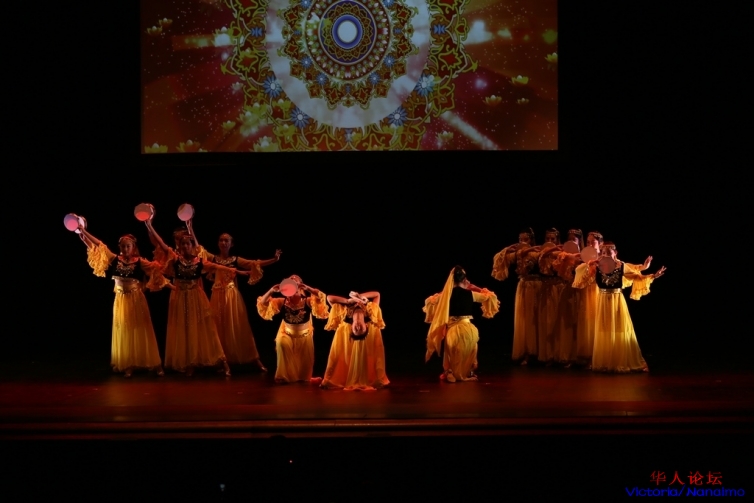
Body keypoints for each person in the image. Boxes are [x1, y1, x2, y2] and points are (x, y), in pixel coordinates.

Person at [147, 222, 247, 377]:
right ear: (180, 246)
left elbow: (217, 267)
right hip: (181, 298)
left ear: (192, 246)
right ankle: (190, 362)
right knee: (185, 330)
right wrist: (149, 225)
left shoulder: (199, 261)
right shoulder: (176, 259)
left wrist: (236, 271)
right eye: (183, 244)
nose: (185, 246)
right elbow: (162, 244)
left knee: (206, 329)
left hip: (196, 297)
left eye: (188, 243)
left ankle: (223, 362)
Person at [76, 226, 166, 378]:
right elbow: (99, 246)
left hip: (136, 299)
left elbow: (157, 268)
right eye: (123, 246)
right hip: (121, 300)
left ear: (133, 247)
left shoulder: (140, 261)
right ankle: (128, 364)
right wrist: (83, 232)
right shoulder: (115, 259)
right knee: (125, 330)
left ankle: (155, 363)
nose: (125, 249)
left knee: (141, 329)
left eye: (128, 246)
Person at [576, 242, 666, 373]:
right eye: (604, 253)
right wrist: (589, 266)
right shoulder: (596, 266)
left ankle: (619, 360)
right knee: (604, 330)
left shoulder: (621, 266)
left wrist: (653, 275)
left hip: (617, 300)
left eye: (609, 252)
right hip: (603, 301)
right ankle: (606, 361)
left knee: (619, 329)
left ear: (615, 253)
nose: (606, 255)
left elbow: (636, 277)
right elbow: (583, 280)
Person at [203, 233, 281, 371]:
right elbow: (198, 249)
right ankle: (222, 359)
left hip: (231, 296)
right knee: (218, 327)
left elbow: (254, 263)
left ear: (231, 244)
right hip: (217, 296)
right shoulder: (213, 258)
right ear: (218, 243)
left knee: (237, 326)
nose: (223, 242)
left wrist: (274, 259)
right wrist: (190, 228)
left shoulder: (235, 259)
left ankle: (253, 358)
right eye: (221, 240)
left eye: (226, 240)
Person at [425, 266, 499, 382]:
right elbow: (491, 297)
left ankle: (450, 371)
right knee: (471, 350)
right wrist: (476, 288)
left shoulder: (445, 296)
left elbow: (429, 301)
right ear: (464, 280)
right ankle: (468, 371)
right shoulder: (471, 294)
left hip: (453, 330)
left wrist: (444, 292)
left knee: (450, 351)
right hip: (468, 329)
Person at [257, 276, 329, 384]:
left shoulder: (307, 301)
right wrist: (271, 291)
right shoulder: (282, 301)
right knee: (282, 343)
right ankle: (283, 376)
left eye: (296, 281)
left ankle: (303, 377)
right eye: (291, 280)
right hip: (286, 333)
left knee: (304, 367)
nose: (293, 281)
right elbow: (263, 303)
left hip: (304, 336)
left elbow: (321, 297)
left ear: (300, 286)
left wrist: (308, 288)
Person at [321, 291, 388, 390]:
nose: (358, 328)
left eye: (356, 330)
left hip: (349, 301)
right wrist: (360, 297)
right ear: (366, 326)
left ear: (351, 327)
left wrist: (348, 301)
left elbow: (329, 298)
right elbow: (377, 294)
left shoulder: (344, 313)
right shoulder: (370, 313)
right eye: (361, 329)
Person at [492, 228, 541, 365]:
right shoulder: (518, 254)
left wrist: (528, 250)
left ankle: (537, 352)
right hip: (523, 285)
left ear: (531, 240)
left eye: (526, 239)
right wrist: (509, 248)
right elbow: (498, 258)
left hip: (536, 286)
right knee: (523, 318)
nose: (523, 242)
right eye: (520, 239)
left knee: (534, 318)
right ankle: (526, 351)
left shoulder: (536, 252)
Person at [571, 231, 604, 367]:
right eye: (588, 242)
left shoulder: (605, 257)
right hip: (587, 292)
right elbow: (578, 272)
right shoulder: (584, 258)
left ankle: (599, 355)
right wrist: (588, 265)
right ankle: (587, 355)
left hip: (600, 292)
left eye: (593, 242)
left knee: (599, 322)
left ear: (600, 244)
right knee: (587, 322)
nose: (590, 244)